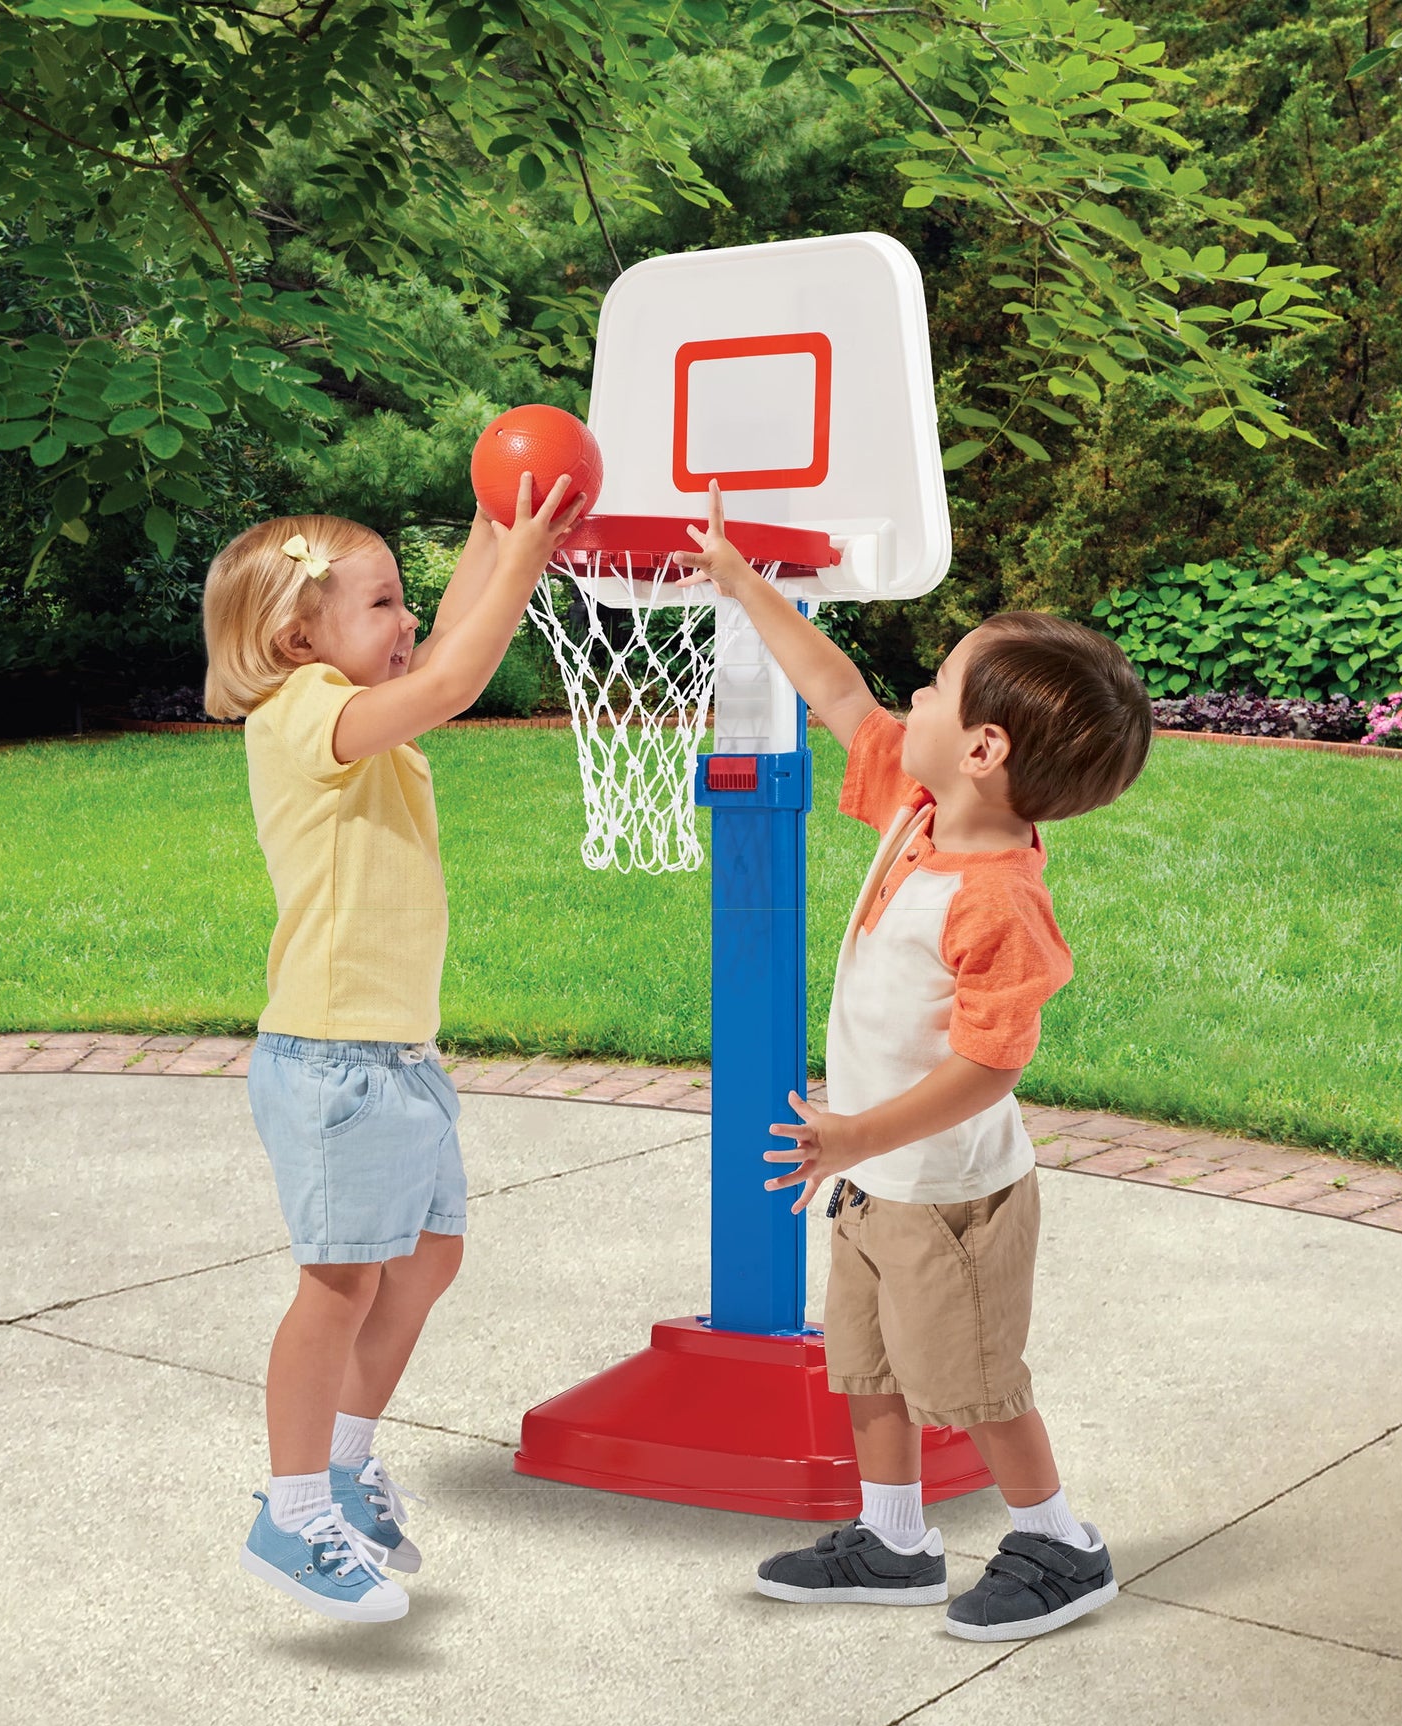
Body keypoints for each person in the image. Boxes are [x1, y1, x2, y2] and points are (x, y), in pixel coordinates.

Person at [675, 486, 1153, 1642]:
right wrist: (743, 584)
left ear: (984, 749)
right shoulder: (920, 805)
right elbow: (837, 694)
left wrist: (854, 1132)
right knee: (868, 1363)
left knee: (972, 1379)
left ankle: (1057, 1540)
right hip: (874, 1177)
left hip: (947, 1195)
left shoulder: (996, 900)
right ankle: (892, 1539)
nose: (913, 700)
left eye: (935, 687)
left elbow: (989, 1067)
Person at [202, 475, 585, 1622]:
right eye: (381, 603)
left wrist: (493, 526)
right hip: (333, 1061)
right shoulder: (300, 713)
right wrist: (525, 558)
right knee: (338, 1284)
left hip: (394, 1057)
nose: (407, 619)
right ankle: (288, 1513)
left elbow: (439, 654)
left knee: (424, 1260)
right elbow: (455, 678)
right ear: (297, 636)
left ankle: (340, 1465)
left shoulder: (354, 702)